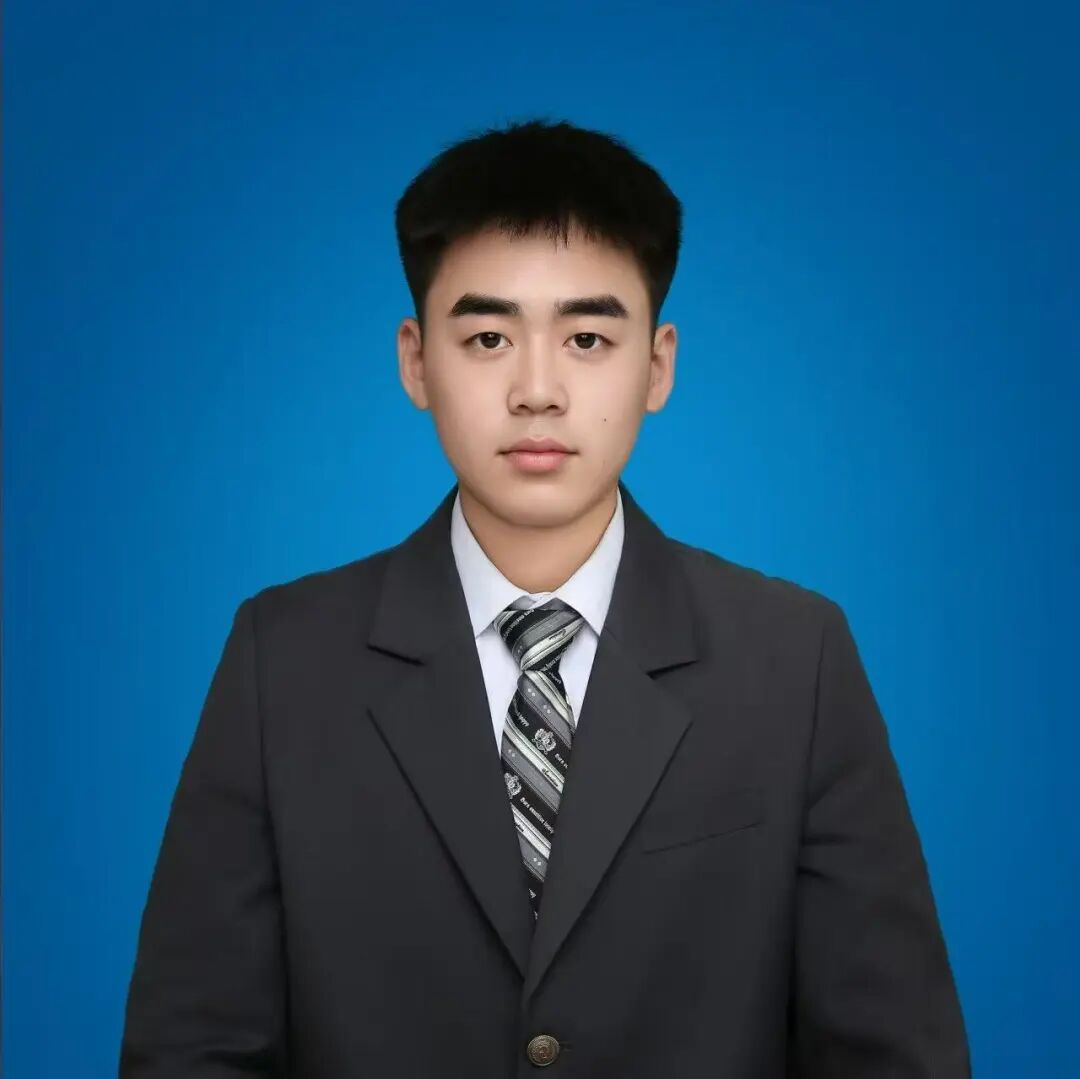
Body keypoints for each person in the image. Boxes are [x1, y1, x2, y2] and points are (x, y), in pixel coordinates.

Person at [119, 117, 971, 1077]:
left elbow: (893, 1054)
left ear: (657, 365)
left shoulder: (793, 659)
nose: (537, 390)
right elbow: (193, 1048)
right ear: (415, 361)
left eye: (588, 337)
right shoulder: (283, 659)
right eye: (487, 336)